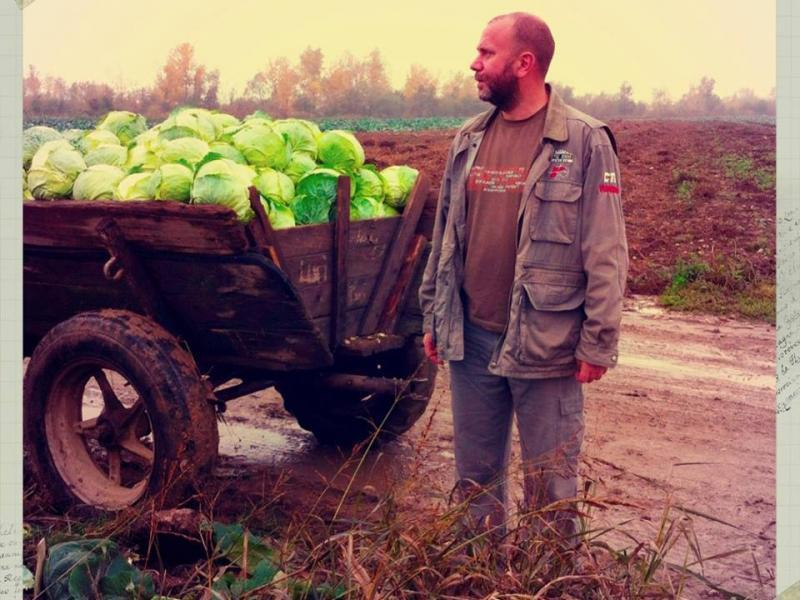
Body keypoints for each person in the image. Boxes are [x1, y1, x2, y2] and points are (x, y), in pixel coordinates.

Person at [418, 12, 628, 538]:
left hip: (547, 342)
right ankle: (477, 573)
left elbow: (606, 247)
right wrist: (434, 315)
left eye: (487, 53)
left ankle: (547, 578)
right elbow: (445, 236)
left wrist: (597, 340)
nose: (475, 63)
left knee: (550, 483)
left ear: (524, 63)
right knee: (475, 479)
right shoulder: (468, 139)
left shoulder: (583, 141)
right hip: (472, 338)